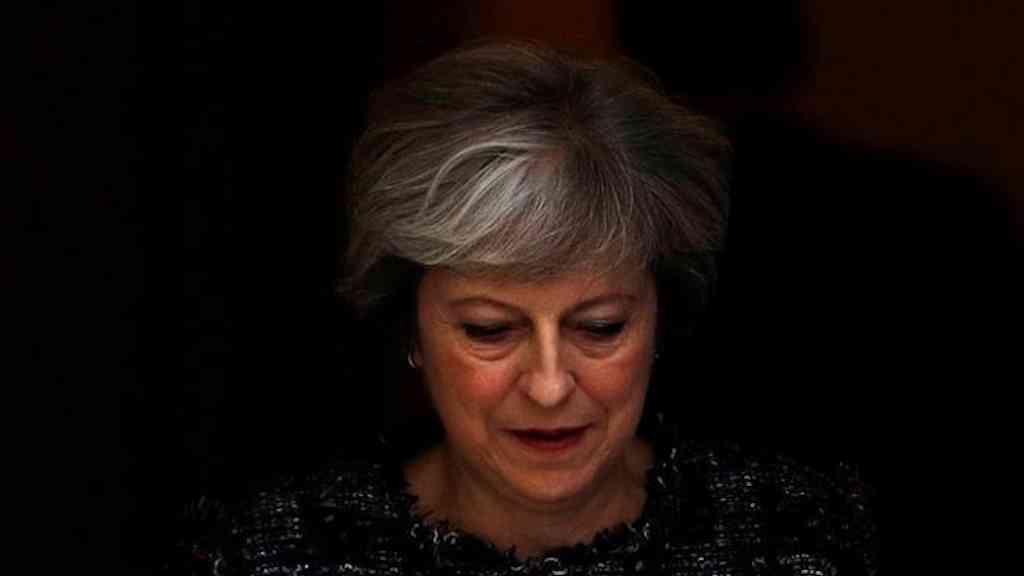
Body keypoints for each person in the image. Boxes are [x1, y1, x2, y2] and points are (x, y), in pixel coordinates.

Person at [175, 41, 877, 575]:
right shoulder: (279, 553)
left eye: (600, 327)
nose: (548, 387)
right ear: (410, 327)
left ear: (659, 318)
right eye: (490, 330)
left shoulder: (793, 537)